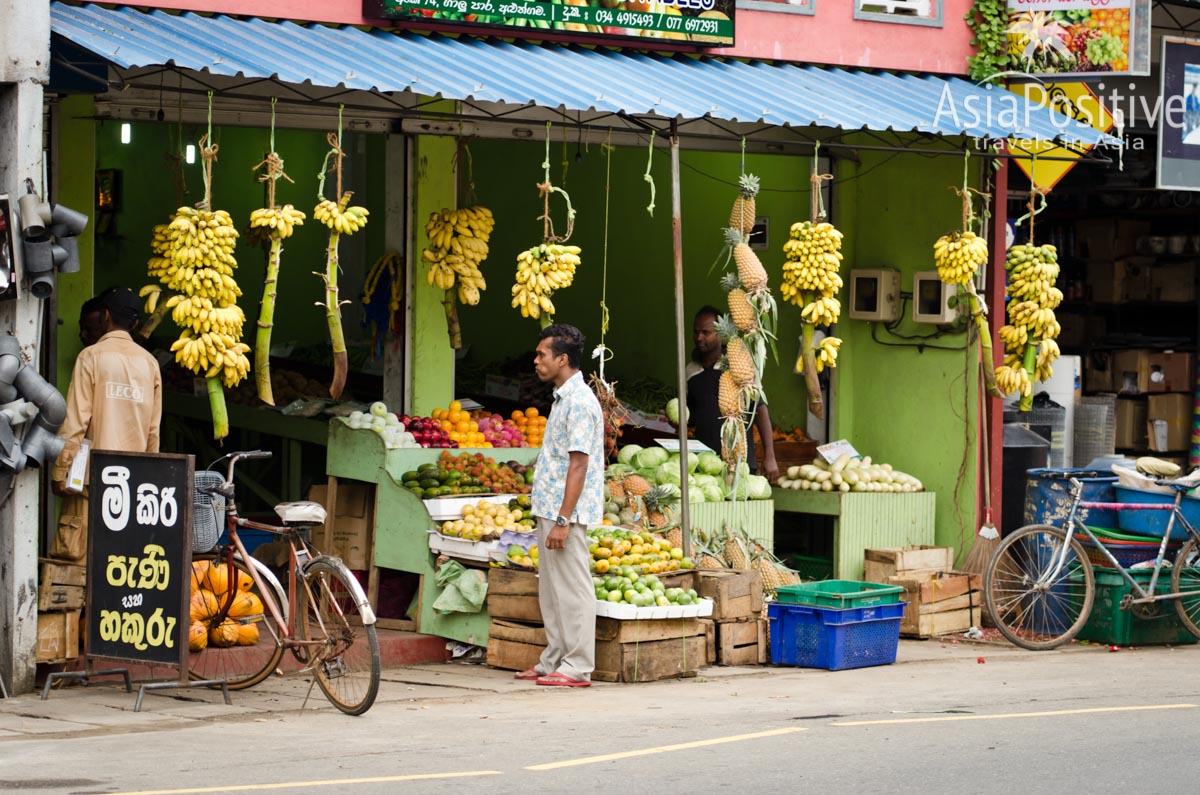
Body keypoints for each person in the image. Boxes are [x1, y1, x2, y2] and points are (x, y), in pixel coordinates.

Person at [516, 323, 603, 687]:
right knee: (551, 590)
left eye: (542, 355)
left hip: (566, 512)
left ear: (562, 359)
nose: (536, 361)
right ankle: (553, 659)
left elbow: (579, 465)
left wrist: (564, 519)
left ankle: (578, 666)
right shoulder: (562, 398)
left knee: (573, 587)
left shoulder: (580, 403)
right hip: (550, 507)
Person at [49, 287, 163, 562]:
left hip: (89, 479)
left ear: (106, 316)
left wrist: (61, 469)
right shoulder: (150, 363)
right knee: (119, 566)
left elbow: (76, 421)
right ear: (135, 323)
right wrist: (148, 482)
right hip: (132, 483)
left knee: (77, 565)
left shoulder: (91, 357)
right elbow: (153, 431)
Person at [686, 305, 779, 482]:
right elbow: (691, 414)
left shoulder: (739, 367)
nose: (699, 337)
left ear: (720, 335)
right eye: (696, 332)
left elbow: (760, 409)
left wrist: (770, 456)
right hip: (704, 464)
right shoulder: (690, 371)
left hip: (740, 461)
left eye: (706, 332)